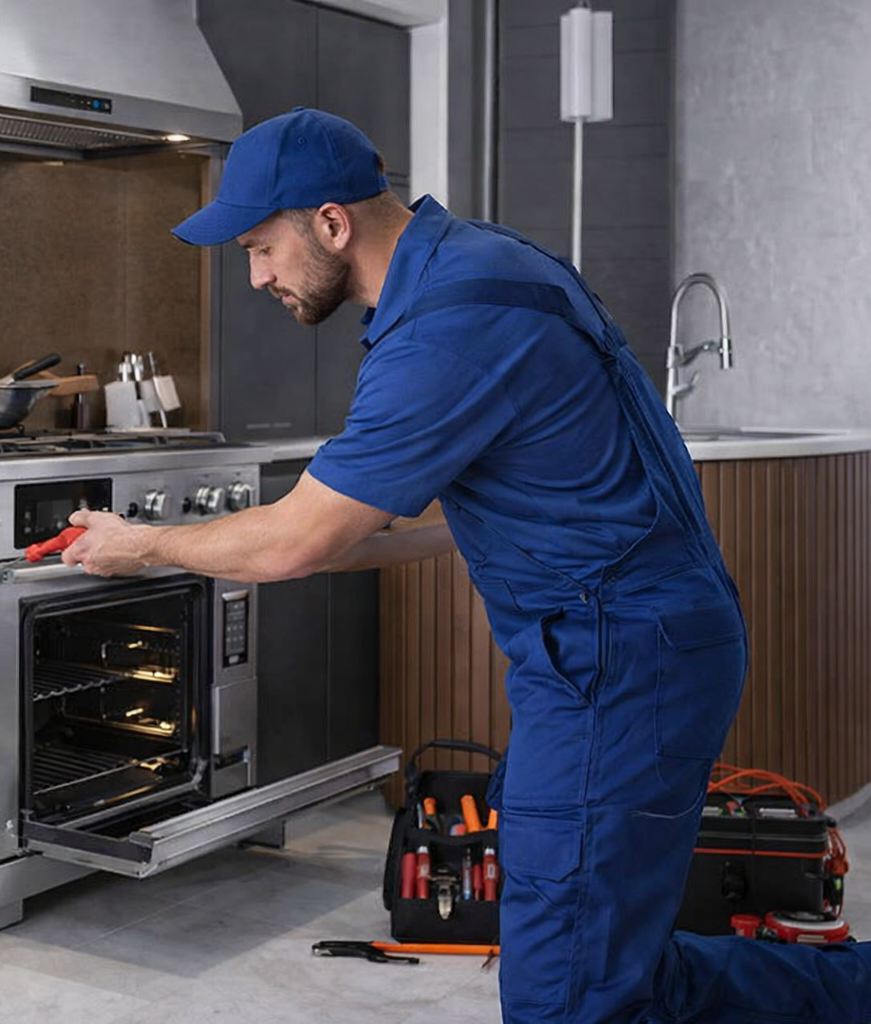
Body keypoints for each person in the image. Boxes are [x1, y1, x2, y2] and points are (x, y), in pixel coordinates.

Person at [61, 107, 870, 1023]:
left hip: (616, 665)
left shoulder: (446, 324)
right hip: (630, 652)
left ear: (331, 223)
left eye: (260, 248)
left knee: (566, 995)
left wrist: (149, 542)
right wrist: (321, 545)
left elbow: (293, 538)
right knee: (613, 967)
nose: (254, 277)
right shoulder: (481, 262)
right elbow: (473, 514)